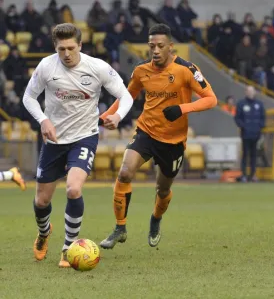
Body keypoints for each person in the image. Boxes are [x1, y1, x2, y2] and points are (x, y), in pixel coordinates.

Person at [22, 23, 133, 267]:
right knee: (41, 201)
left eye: (71, 48)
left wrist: (117, 116)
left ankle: (68, 248)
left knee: (73, 189)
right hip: (54, 140)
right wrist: (43, 120)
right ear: (55, 47)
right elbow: (28, 97)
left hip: (84, 136)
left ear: (80, 45)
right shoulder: (46, 66)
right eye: (61, 49)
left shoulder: (97, 67)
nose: (67, 54)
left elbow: (126, 96)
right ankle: (44, 233)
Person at [98, 23, 217, 249]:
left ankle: (156, 219)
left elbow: (211, 99)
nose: (155, 50)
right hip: (147, 132)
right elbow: (127, 96)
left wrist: (182, 109)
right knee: (124, 173)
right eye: (151, 46)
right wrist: (104, 117)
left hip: (173, 142)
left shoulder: (187, 69)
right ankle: (120, 228)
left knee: (162, 189)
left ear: (171, 47)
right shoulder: (142, 71)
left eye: (160, 46)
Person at [234, 86, 265, 182]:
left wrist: (260, 126)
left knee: (254, 155)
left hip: (256, 134)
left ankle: (252, 174)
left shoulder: (259, 104)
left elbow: (263, 117)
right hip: (246, 134)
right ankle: (243, 174)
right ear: (245, 92)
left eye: (252, 91)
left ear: (254, 92)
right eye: (248, 91)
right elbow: (237, 118)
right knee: (245, 155)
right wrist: (243, 126)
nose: (250, 93)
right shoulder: (241, 104)